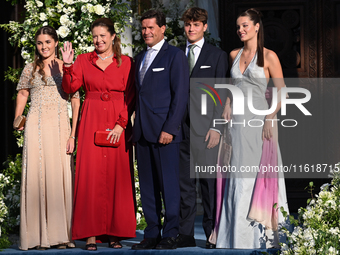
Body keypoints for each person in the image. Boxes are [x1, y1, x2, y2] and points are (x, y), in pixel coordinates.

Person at [215, 8, 289, 249]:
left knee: (256, 176)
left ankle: (262, 239)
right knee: (237, 176)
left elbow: (282, 92)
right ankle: (234, 237)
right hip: (236, 125)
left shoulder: (269, 57)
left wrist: (270, 117)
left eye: (245, 25)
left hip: (260, 124)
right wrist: (226, 105)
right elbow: (232, 86)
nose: (241, 30)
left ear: (257, 27)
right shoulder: (233, 54)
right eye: (238, 27)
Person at [61, 18, 136, 250]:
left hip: (117, 121)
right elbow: (70, 87)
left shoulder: (126, 62)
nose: (98, 40)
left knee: (117, 176)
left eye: (103, 35)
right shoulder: (83, 60)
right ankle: (90, 233)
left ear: (113, 36)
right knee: (90, 176)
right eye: (95, 36)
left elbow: (131, 96)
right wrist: (67, 66)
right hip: (91, 118)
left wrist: (121, 124)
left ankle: (115, 232)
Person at [14, 26, 80, 250]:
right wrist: (17, 118)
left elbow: (75, 100)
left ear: (56, 43)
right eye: (40, 43)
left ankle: (62, 236)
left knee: (59, 177)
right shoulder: (29, 68)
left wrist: (73, 133)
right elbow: (23, 93)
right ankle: (38, 237)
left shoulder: (66, 66)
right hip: (35, 126)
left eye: (48, 42)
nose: (44, 47)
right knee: (37, 176)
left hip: (60, 126)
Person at [132, 10, 189, 250]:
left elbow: (181, 95)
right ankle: (152, 234)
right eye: (143, 28)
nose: (146, 32)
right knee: (147, 187)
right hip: (143, 132)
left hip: (165, 133)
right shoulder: (139, 57)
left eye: (151, 28)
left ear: (162, 29)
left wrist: (170, 128)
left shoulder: (175, 56)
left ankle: (171, 234)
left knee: (169, 186)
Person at [176, 7, 228, 249]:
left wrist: (217, 127)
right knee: (184, 185)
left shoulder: (217, 56)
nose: (191, 28)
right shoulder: (176, 55)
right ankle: (185, 234)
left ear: (205, 27)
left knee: (208, 185)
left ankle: (212, 233)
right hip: (179, 130)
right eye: (188, 24)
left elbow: (221, 93)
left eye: (196, 24)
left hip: (207, 130)